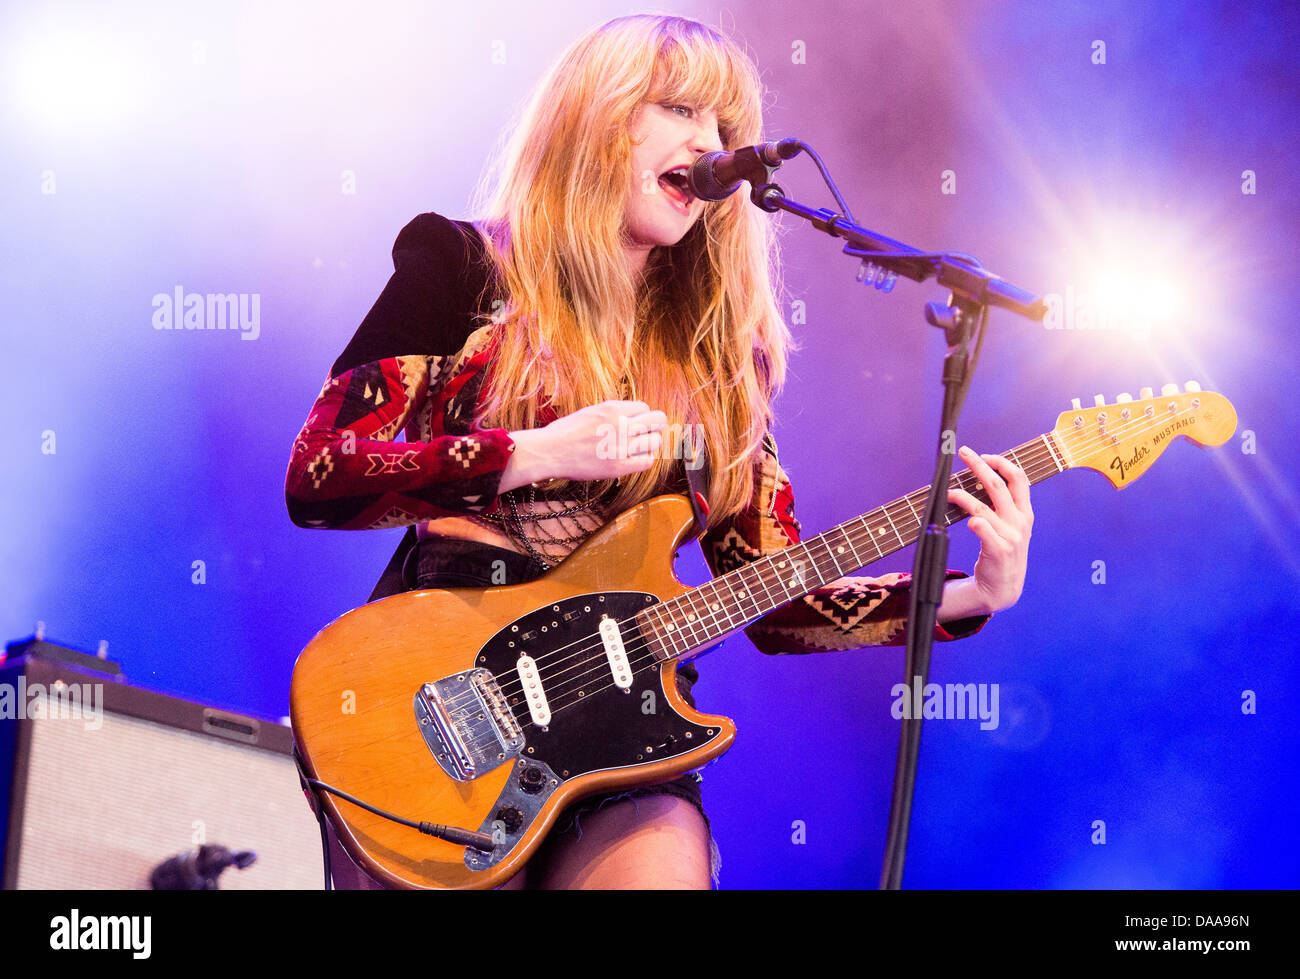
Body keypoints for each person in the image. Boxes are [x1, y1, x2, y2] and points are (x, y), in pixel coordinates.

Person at [284, 13, 1032, 890]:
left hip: (620, 725)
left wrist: (967, 590)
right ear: (598, 118)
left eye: (723, 127)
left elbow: (776, 598)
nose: (710, 145)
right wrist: (527, 451)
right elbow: (320, 474)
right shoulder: (463, 265)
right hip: (439, 692)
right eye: (679, 109)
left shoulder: (723, 359)